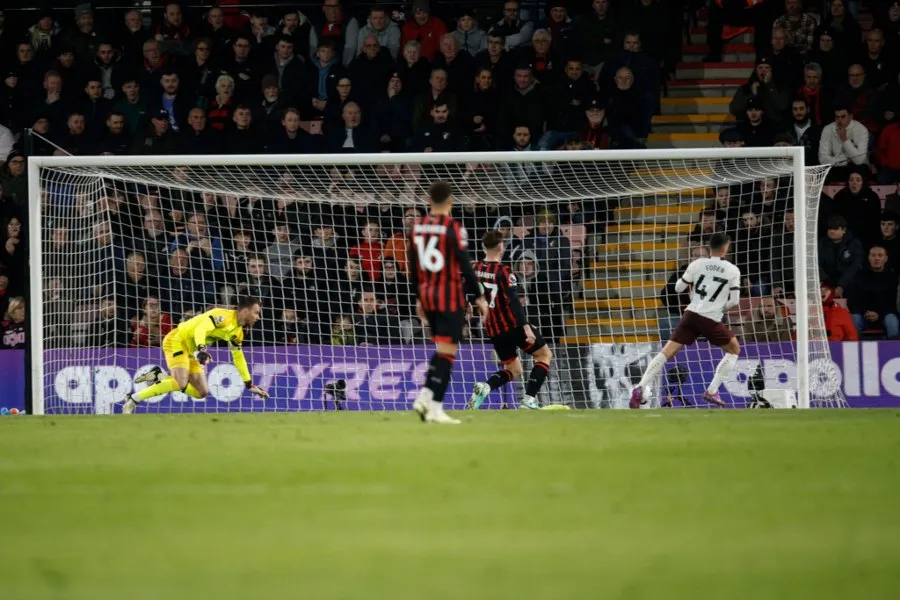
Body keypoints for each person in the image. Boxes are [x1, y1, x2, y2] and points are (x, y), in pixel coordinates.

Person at [630, 233, 741, 408]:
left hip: (691, 314)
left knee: (666, 352)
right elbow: (734, 301)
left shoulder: (696, 264)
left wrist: (693, 289)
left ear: (709, 247)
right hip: (711, 318)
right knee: (734, 349)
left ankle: (640, 387)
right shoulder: (732, 270)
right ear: (725, 248)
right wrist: (720, 307)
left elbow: (677, 287)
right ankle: (712, 391)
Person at [408, 181, 488, 424]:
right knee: (448, 352)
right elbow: (465, 265)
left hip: (428, 296)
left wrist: (417, 298)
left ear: (428, 201)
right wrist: (478, 295)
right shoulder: (454, 228)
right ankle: (434, 407)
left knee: (442, 350)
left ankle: (426, 398)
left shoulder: (417, 227)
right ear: (450, 201)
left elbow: (413, 266)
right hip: (449, 296)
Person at [121, 297, 269, 414]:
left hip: (191, 350)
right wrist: (202, 349)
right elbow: (201, 329)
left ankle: (160, 377)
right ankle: (133, 399)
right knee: (180, 382)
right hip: (177, 340)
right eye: (256, 312)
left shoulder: (237, 332)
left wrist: (249, 384)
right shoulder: (222, 316)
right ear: (245, 311)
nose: (258, 317)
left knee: (201, 392)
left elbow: (238, 357)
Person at [467, 230, 553, 410]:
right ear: (500, 247)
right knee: (544, 354)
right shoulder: (504, 271)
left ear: (484, 247)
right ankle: (529, 399)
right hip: (512, 325)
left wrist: (468, 306)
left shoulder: (475, 268)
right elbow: (514, 301)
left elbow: (465, 289)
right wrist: (526, 327)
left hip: (493, 329)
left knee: (514, 370)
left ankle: (486, 386)